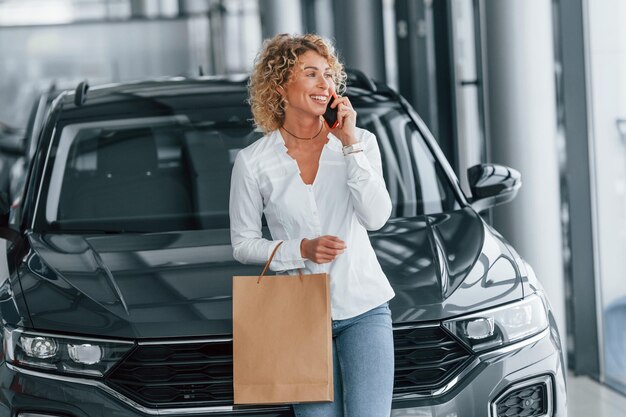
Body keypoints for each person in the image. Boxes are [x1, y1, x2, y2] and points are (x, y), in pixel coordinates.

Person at [229, 33, 395, 417]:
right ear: (280, 86)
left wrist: (350, 143)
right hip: (297, 315)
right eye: (311, 74)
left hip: (364, 307)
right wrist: (299, 249)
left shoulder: (360, 144)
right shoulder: (254, 162)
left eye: (329, 75)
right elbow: (243, 243)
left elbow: (377, 217)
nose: (325, 85)